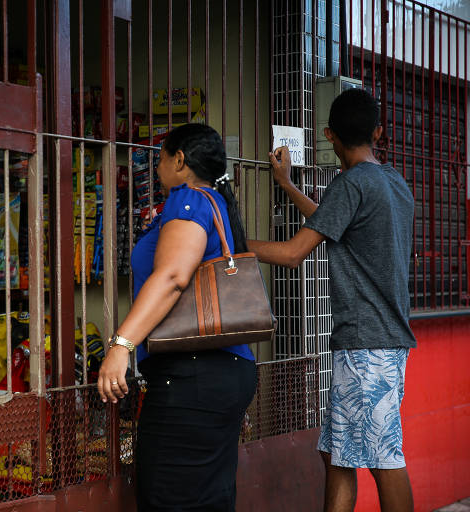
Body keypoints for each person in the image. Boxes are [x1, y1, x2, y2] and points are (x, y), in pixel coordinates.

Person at [247, 88, 416, 512]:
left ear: (329, 135)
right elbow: (333, 221)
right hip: (381, 342)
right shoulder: (393, 182)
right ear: (378, 131)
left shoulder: (350, 184)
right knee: (338, 456)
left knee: (383, 459)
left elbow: (292, 253)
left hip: (366, 345)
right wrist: (286, 184)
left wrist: (226, 245)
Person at [98, 123, 257, 511]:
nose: (157, 168)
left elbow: (172, 277)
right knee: (206, 499)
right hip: (221, 372)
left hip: (192, 375)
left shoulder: (188, 199)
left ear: (180, 160)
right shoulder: (215, 201)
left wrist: (121, 346)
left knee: (168, 497)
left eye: (162, 158)